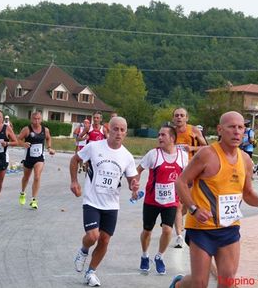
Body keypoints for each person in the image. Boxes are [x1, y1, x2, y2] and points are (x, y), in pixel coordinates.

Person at [170, 111, 258, 288]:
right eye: (231, 127)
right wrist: (194, 208)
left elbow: (247, 193)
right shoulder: (206, 155)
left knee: (228, 282)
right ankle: (179, 284)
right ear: (220, 129)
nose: (237, 131)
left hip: (229, 228)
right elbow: (181, 181)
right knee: (199, 283)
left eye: (240, 127)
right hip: (202, 228)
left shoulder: (246, 160)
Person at [70, 116, 139, 287]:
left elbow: (132, 180)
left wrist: (134, 187)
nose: (119, 133)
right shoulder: (94, 147)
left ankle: (91, 272)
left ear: (126, 133)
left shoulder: (127, 156)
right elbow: (75, 160)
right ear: (109, 130)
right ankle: (83, 251)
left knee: (105, 239)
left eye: (122, 130)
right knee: (93, 236)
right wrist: (74, 181)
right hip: (92, 200)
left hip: (111, 204)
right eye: (115, 129)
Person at [137, 125, 188, 275]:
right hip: (152, 200)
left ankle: (159, 257)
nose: (159, 138)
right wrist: (135, 183)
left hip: (171, 201)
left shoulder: (183, 157)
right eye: (158, 135)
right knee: (147, 231)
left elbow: (188, 177)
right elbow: (138, 170)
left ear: (172, 138)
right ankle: (145, 255)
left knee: (167, 230)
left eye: (163, 135)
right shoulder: (153, 154)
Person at [172, 107, 208, 248]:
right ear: (173, 118)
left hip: (193, 171)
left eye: (182, 115)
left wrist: (192, 149)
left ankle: (181, 221)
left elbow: (206, 147)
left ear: (187, 118)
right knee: (178, 205)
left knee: (188, 204)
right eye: (176, 115)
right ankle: (179, 236)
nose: (179, 118)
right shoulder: (171, 132)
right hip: (176, 171)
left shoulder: (194, 130)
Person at [17, 111, 55, 209]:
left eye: (38, 119)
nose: (36, 121)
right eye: (35, 119)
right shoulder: (27, 129)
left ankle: (34, 200)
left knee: (37, 176)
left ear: (41, 119)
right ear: (31, 119)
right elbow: (18, 140)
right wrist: (23, 144)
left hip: (39, 158)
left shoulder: (45, 130)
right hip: (28, 157)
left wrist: (49, 147)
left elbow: (48, 138)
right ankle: (22, 193)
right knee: (26, 177)